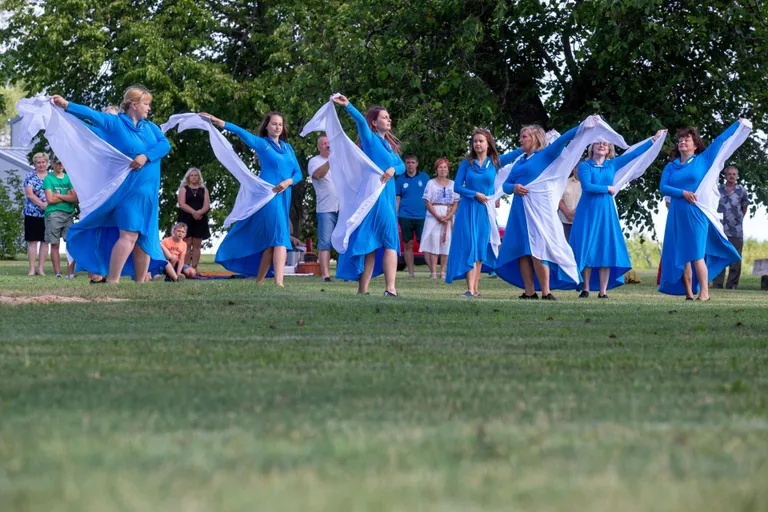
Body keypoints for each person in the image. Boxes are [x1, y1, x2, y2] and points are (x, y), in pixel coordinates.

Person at [51, 86, 172, 284]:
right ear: (134, 105)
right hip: (127, 192)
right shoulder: (115, 123)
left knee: (144, 239)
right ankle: (113, 281)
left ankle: (140, 284)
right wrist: (66, 105)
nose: (149, 108)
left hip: (149, 194)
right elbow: (91, 115)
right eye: (146, 104)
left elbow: (165, 144)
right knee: (129, 234)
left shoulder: (150, 128)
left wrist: (145, 156)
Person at [200, 110, 302, 287]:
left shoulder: (288, 148)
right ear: (267, 126)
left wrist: (288, 182)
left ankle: (259, 282)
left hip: (285, 193)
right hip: (268, 196)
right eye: (274, 124)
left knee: (273, 242)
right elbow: (240, 132)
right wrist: (218, 121)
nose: (277, 127)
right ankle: (279, 283)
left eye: (280, 124)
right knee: (279, 238)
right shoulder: (263, 144)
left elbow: (298, 173)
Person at [659, 121, 750, 300]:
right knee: (683, 255)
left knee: (696, 254)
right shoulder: (671, 166)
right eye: (681, 140)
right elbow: (663, 187)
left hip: (697, 212)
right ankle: (689, 294)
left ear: (695, 144)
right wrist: (682, 193)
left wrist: (737, 124)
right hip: (676, 214)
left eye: (687, 139)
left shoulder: (704, 159)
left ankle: (704, 294)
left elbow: (721, 140)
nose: (683, 142)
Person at [569, 131, 666, 298]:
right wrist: (607, 189)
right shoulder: (585, 166)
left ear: (609, 150)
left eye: (605, 144)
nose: (602, 145)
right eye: (598, 143)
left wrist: (653, 140)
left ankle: (603, 291)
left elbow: (634, 154)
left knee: (605, 248)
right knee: (587, 247)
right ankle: (585, 288)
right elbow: (587, 187)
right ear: (592, 147)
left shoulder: (612, 164)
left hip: (606, 211)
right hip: (587, 211)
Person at [330, 94, 405, 296]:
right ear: (374, 122)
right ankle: (363, 289)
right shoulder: (370, 139)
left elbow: (401, 164)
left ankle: (390, 288)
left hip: (388, 198)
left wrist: (393, 170)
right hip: (374, 198)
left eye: (389, 117)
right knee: (372, 244)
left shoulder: (389, 146)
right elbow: (361, 122)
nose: (389, 120)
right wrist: (348, 106)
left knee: (389, 242)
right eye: (384, 117)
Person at [445, 128, 523, 297]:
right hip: (468, 208)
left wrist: (535, 141)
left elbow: (517, 153)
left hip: (485, 211)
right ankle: (469, 289)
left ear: (488, 144)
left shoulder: (494, 162)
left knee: (480, 247)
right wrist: (474, 194)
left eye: (481, 141)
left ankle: (475, 289)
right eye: (475, 141)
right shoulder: (466, 164)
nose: (477, 144)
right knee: (469, 245)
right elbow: (457, 187)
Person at [421, 158, 459, 279]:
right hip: (434, 214)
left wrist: (449, 216)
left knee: (446, 243)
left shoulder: (453, 184)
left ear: (448, 169)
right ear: (436, 169)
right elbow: (427, 201)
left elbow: (456, 202)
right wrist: (437, 216)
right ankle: (433, 271)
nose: (443, 170)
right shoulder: (431, 183)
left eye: (445, 167)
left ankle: (443, 271)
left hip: (448, 213)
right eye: (440, 167)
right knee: (433, 242)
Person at [712, 165, 749, 289]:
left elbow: (744, 208)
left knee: (735, 258)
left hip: (736, 230)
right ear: (725, 176)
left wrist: (736, 219)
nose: (731, 176)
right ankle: (717, 284)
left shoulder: (742, 191)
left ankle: (732, 285)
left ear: (737, 176)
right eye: (729, 174)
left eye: (734, 174)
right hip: (720, 229)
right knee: (719, 256)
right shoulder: (718, 189)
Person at [308, 134, 338, 282]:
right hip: (326, 208)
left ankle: (345, 273)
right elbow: (318, 175)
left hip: (343, 207)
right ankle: (325, 275)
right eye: (325, 143)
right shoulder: (314, 161)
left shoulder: (340, 160)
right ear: (319, 146)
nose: (328, 145)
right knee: (325, 242)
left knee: (345, 240)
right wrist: (330, 161)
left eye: (329, 143)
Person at [42, 156, 78, 278]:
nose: (60, 165)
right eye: (57, 163)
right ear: (52, 164)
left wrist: (58, 195)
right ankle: (58, 273)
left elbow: (74, 198)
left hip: (69, 214)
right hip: (53, 214)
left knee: (71, 243)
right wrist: (65, 196)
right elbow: (50, 200)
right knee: (55, 244)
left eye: (62, 163)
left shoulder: (69, 178)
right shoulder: (48, 179)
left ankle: (70, 273)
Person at [395, 154, 430, 277]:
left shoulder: (424, 177)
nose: (410, 165)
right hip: (405, 216)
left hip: (422, 216)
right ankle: (411, 273)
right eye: (408, 162)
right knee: (408, 243)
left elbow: (430, 197)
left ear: (417, 164)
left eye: (412, 162)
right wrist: (395, 215)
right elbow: (397, 199)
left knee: (425, 244)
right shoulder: (400, 179)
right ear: (405, 164)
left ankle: (433, 272)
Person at [177, 167, 211, 269]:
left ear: (199, 177)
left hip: (200, 219)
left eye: (196, 175)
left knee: (197, 245)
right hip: (186, 218)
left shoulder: (204, 189)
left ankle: (194, 269)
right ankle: (185, 269)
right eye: (192, 175)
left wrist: (199, 212)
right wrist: (193, 212)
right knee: (187, 244)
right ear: (188, 177)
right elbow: (181, 204)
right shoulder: (183, 189)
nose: (194, 177)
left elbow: (207, 205)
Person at [23, 152, 49, 276]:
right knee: (32, 241)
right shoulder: (30, 176)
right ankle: (32, 268)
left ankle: (41, 268)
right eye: (38, 162)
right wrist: (41, 204)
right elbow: (29, 194)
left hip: (48, 213)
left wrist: (48, 205)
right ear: (35, 164)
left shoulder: (51, 177)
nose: (41, 164)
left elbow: (56, 193)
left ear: (47, 163)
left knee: (45, 241)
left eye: (43, 162)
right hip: (32, 213)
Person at [558, 165, 581, 242]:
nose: (577, 170)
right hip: (564, 221)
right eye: (575, 168)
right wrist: (567, 212)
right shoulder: (565, 182)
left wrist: (573, 213)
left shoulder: (588, 185)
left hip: (581, 222)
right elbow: (558, 199)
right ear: (573, 169)